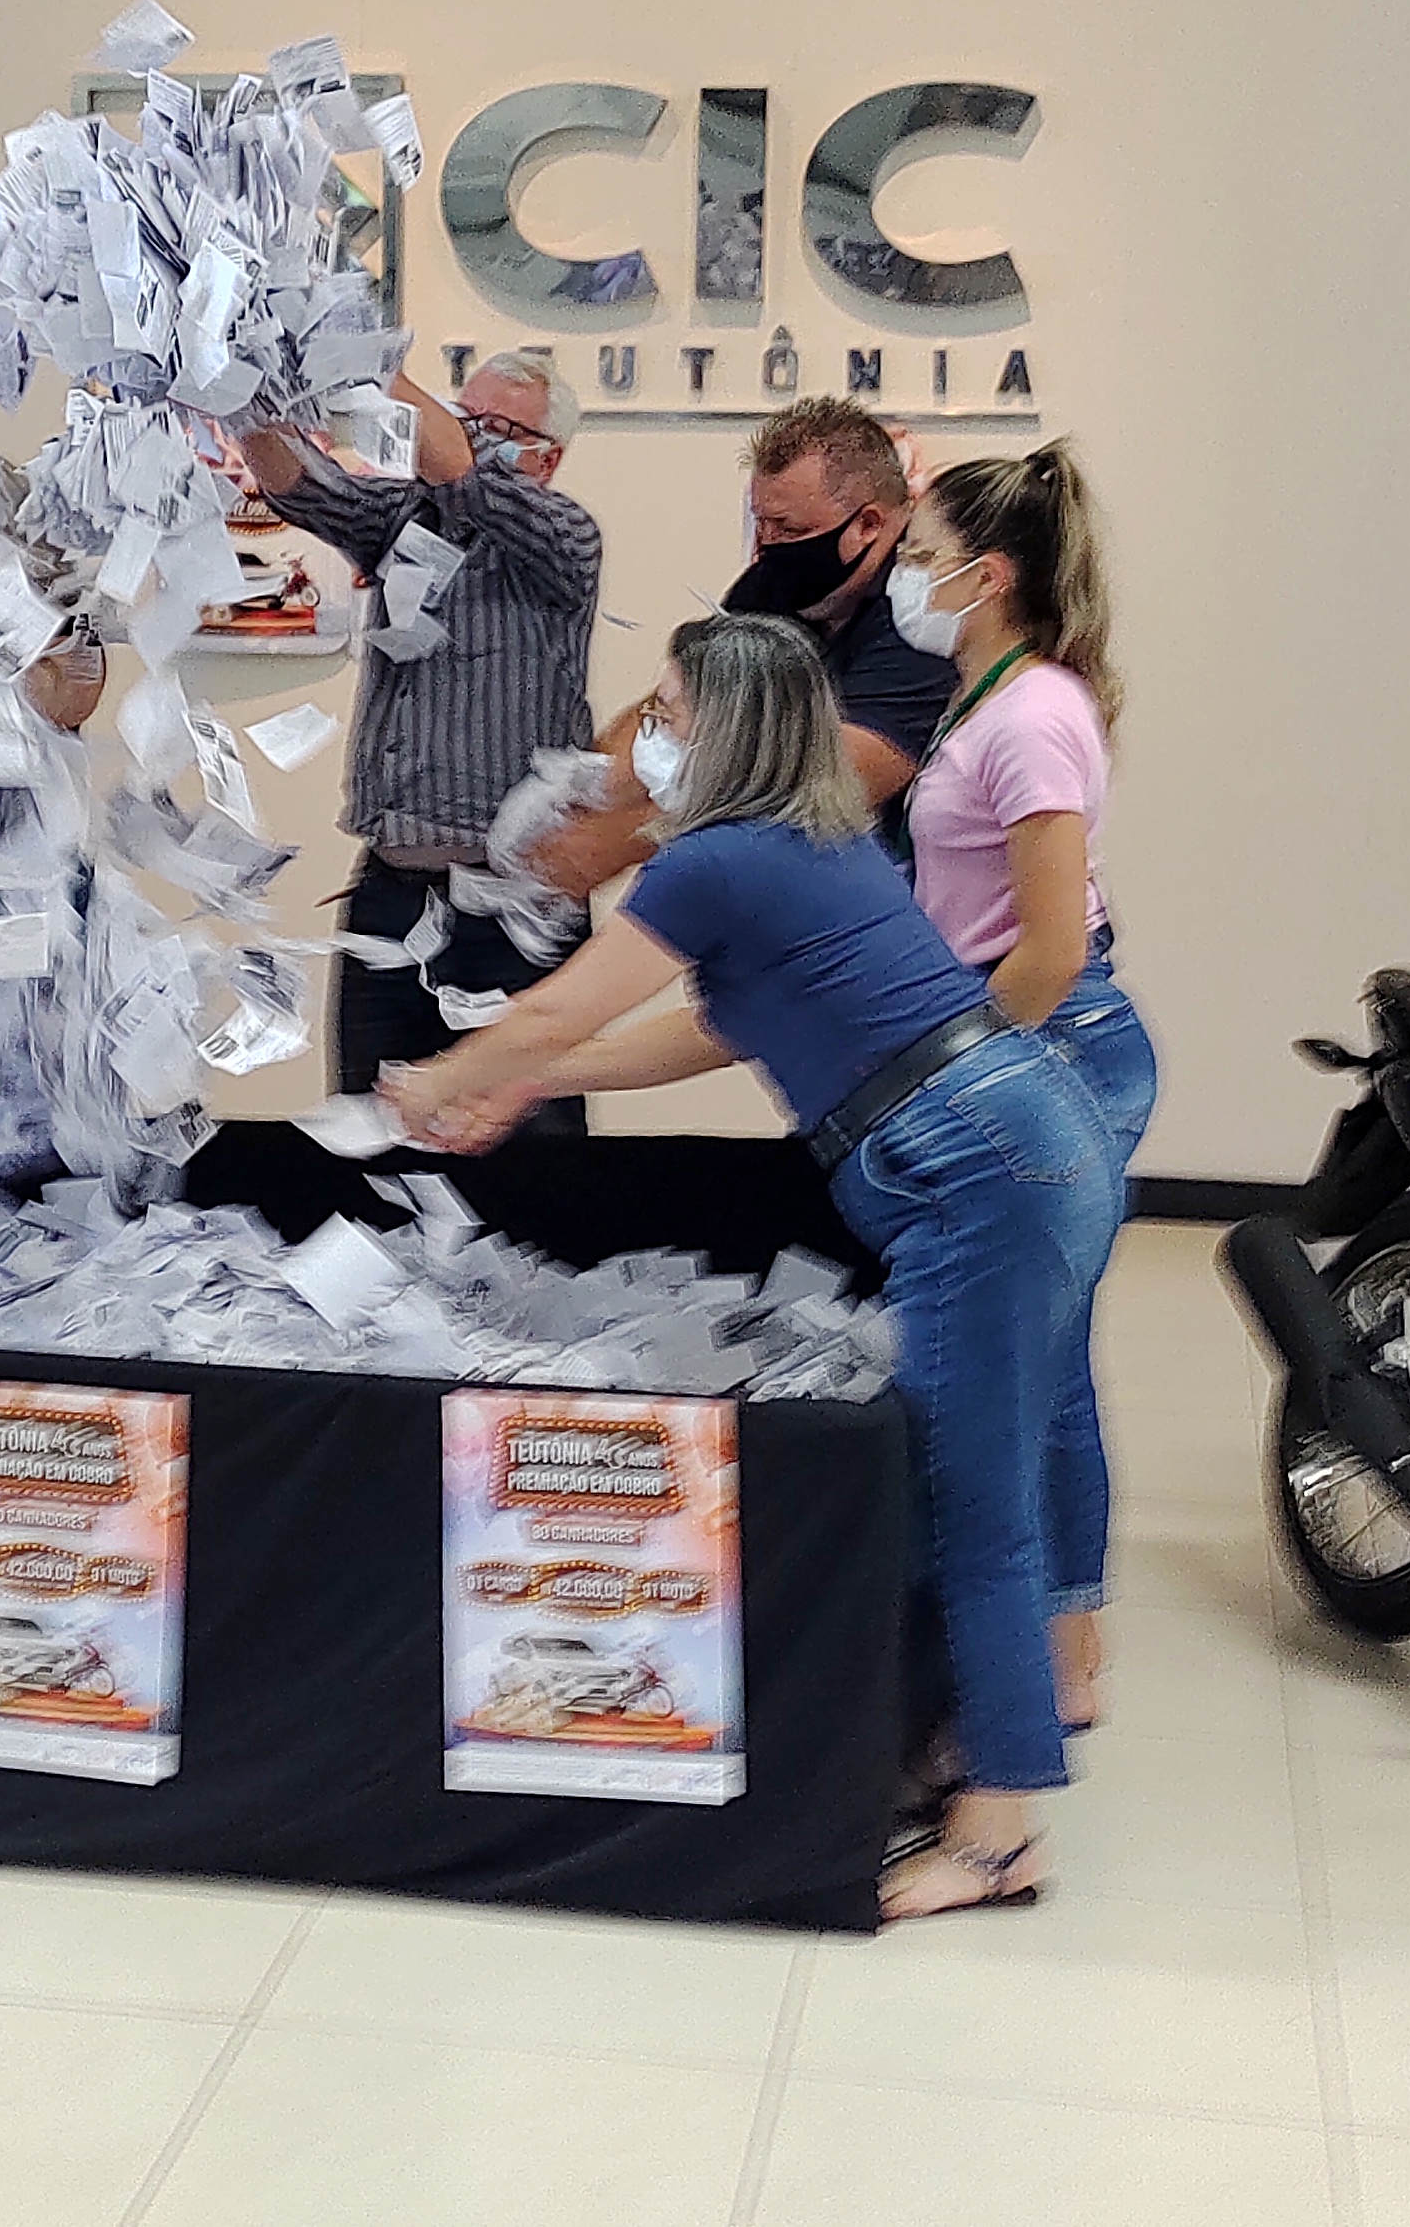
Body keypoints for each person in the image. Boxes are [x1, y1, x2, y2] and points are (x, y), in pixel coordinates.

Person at [385, 613, 1113, 1920]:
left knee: (972, 1493)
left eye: (667, 713)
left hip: (979, 1171)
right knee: (967, 1470)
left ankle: (1000, 1832)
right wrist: (527, 1079)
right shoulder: (812, 839)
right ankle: (971, 1744)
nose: (648, 738)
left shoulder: (712, 860)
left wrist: (440, 1080)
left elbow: (562, 1003)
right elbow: (710, 1032)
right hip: (1024, 1141)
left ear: (724, 727)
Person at [890, 441, 1157, 1725]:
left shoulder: (1035, 713)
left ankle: (1063, 1648)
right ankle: (1063, 1637)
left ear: (987, 576)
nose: (902, 575)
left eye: (921, 556)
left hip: (1047, 1039)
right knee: (1038, 1358)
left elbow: (1046, 948)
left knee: (1032, 1366)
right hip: (1012, 1032)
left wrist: (956, 1074)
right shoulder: (986, 695)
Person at [240, 348, 602, 1134]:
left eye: (498, 428)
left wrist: (372, 359)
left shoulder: (565, 538)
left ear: (548, 458)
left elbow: (465, 475)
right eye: (465, 417)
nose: (471, 436)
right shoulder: (404, 520)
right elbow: (300, 484)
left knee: (527, 1147)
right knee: (372, 1131)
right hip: (391, 890)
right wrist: (241, 398)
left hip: (512, 909)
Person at [521, 396, 954, 899]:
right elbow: (677, 703)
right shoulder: (774, 587)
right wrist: (583, 787)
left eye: (790, 529)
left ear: (869, 524)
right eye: (761, 522)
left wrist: (612, 843)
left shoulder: (923, 617)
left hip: (877, 898)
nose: (768, 543)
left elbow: (827, 783)